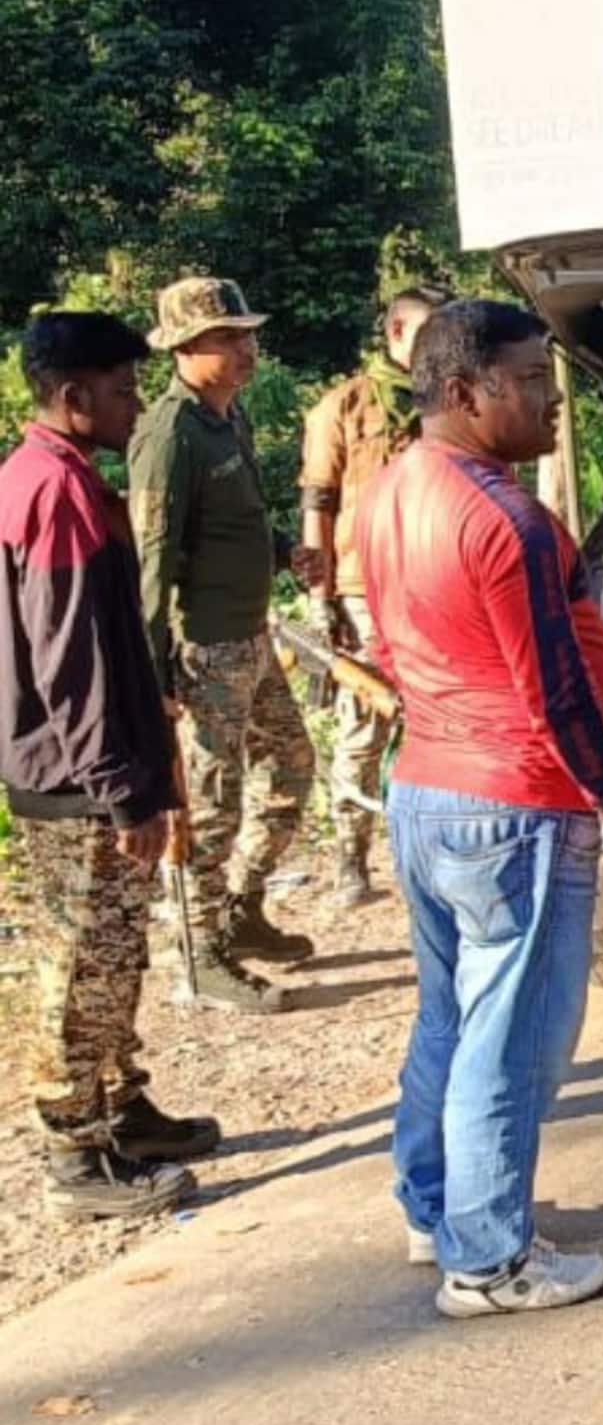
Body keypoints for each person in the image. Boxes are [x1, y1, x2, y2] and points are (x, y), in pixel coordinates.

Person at [357, 298, 603, 1318]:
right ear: (464, 391)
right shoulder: (505, 519)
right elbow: (558, 694)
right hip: (515, 806)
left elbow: (390, 649)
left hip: (429, 790)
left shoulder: (391, 492)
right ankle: (489, 1260)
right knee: (512, 1038)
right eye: (531, 380)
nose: (552, 399)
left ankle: (437, 1209)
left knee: (452, 1017)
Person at [1, 313, 224, 1218]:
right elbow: (70, 660)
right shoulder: (51, 489)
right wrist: (122, 790)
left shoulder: (61, 477)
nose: (138, 405)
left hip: (95, 766)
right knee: (80, 966)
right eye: (124, 390)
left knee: (116, 953)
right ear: (73, 395)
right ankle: (74, 1153)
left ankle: (121, 1107)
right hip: (75, 779)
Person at [129, 276, 321, 1013]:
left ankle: (241, 908)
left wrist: (283, 551)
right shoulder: (169, 434)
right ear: (183, 349)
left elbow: (234, 522)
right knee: (211, 805)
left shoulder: (227, 417)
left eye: (247, 335)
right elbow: (153, 560)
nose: (247, 349)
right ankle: (198, 951)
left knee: (291, 768)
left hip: (252, 636)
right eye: (227, 339)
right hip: (204, 648)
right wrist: (154, 677)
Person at [300, 285, 450, 906]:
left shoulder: (448, 400)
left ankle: (428, 850)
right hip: (363, 586)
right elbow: (317, 501)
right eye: (427, 333)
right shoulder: (343, 406)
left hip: (434, 581)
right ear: (395, 333)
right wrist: (321, 598)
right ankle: (350, 858)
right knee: (364, 724)